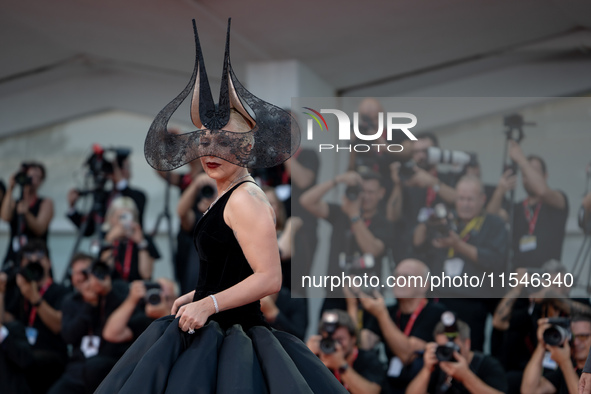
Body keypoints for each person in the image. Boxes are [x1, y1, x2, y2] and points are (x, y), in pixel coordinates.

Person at [95, 19, 347, 393]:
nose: (210, 151)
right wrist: (196, 296)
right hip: (212, 327)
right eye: (205, 141)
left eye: (223, 141)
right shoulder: (229, 193)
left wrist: (208, 303)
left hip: (233, 336)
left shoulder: (246, 198)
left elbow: (269, 278)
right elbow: (228, 267)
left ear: (246, 147)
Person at [412, 175, 508, 351]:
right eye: (461, 198)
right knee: (437, 349)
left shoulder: (494, 224)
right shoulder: (446, 219)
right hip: (440, 299)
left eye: (470, 199)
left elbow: (495, 261)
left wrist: (458, 245)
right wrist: (427, 222)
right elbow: (417, 244)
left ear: (482, 199)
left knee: (469, 352)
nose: (465, 204)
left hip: (473, 302)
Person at [300, 170, 392, 314]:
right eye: (362, 191)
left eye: (371, 192)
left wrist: (354, 215)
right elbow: (306, 201)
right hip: (334, 295)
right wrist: (337, 180)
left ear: (381, 193)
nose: (365, 197)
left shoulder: (384, 223)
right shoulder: (341, 214)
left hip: (366, 298)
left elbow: (372, 250)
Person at [358, 259, 446, 394]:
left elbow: (407, 354)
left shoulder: (436, 312)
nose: (398, 281)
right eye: (395, 277)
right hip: (389, 385)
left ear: (424, 285)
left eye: (406, 277)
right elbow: (362, 345)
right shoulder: (388, 311)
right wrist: (355, 304)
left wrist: (381, 315)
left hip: (422, 387)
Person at [48, 253, 130, 394]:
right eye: (75, 273)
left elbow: (127, 317)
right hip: (77, 370)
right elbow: (68, 336)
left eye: (85, 272)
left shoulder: (116, 290)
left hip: (109, 367)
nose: (81, 278)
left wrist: (107, 293)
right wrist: (89, 306)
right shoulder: (70, 301)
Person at [1, 240, 69, 394]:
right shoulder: (17, 291)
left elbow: (58, 325)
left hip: (51, 355)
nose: (34, 264)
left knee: (21, 360)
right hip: (22, 352)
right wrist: (1, 292)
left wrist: (34, 297)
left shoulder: (61, 291)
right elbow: (4, 322)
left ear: (49, 263)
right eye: (28, 261)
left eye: (39, 259)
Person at [489, 140, 568, 269]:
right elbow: (490, 219)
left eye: (533, 172)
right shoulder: (517, 208)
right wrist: (500, 191)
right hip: (520, 279)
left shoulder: (557, 199)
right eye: (525, 174)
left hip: (549, 278)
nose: (529, 177)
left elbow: (542, 191)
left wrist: (522, 160)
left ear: (545, 175)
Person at [406, 318, 507, 394]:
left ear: (467, 343)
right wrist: (427, 369)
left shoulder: (487, 365)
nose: (448, 352)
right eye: (443, 348)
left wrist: (466, 376)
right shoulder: (438, 364)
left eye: (451, 346)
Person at [67, 148, 148, 237]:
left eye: (126, 167)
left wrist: (120, 181)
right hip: (107, 246)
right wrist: (72, 208)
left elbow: (135, 208)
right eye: (118, 168)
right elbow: (88, 230)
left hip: (131, 247)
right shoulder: (103, 197)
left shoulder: (139, 195)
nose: (121, 171)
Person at [307, 309, 385, 393]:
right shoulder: (319, 358)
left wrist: (341, 366)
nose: (335, 345)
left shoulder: (368, 358)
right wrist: (307, 357)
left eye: (340, 339)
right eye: (329, 340)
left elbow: (372, 392)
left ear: (353, 339)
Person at [1, 162, 54, 266]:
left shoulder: (45, 203)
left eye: (36, 177)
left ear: (41, 181)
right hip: (14, 254)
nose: (32, 179)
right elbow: (5, 217)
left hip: (36, 256)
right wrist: (11, 188)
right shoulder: (15, 202)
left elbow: (40, 229)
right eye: (29, 175)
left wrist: (27, 214)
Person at [522, 315, 591, 394]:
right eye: (573, 337)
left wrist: (565, 363)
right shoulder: (569, 368)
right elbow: (529, 390)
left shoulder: (568, 366)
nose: (576, 342)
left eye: (583, 336)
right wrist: (542, 343)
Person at [100, 196, 160, 282]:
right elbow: (104, 272)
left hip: (137, 288)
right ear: (111, 219)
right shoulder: (105, 238)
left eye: (127, 217)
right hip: (111, 289)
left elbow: (146, 274)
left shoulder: (145, 238)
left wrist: (141, 243)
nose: (124, 222)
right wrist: (109, 241)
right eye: (121, 217)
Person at [102, 278, 178, 343]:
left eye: (167, 298)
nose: (161, 299)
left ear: (176, 299)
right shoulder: (142, 318)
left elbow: (176, 340)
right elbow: (111, 334)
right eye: (156, 294)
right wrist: (131, 300)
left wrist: (165, 315)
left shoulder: (181, 317)